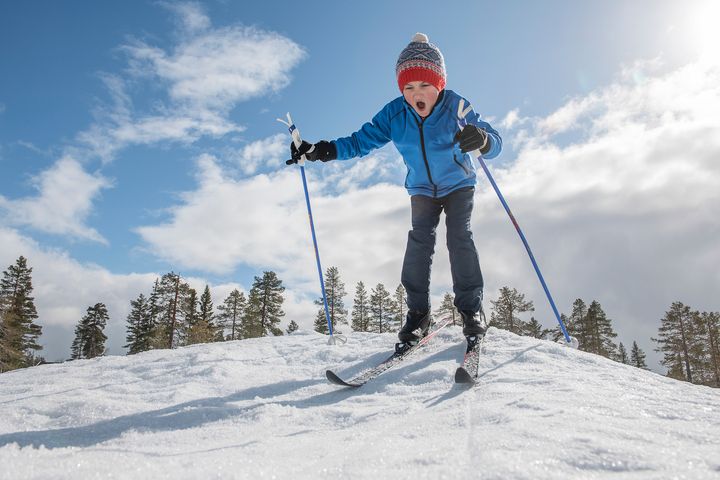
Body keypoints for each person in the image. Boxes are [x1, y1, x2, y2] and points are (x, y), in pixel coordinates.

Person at [287, 33, 502, 346]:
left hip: (458, 184)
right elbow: (360, 141)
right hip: (421, 189)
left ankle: (471, 309)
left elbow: (494, 140)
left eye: (425, 85)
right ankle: (418, 314)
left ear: (439, 84)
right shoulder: (394, 114)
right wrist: (321, 150)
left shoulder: (456, 106)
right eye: (409, 87)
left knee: (459, 238)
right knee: (419, 242)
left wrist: (482, 139)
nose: (417, 93)